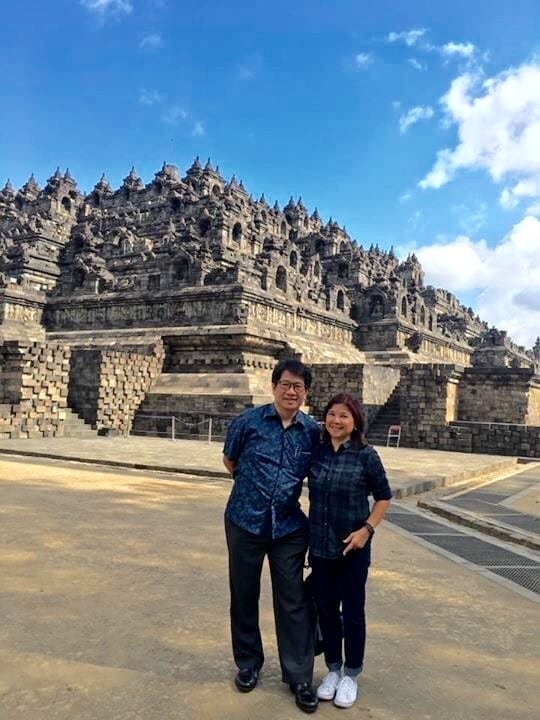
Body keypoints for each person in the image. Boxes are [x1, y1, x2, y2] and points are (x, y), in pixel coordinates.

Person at [223, 358, 321, 713]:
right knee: (244, 594)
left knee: (293, 600)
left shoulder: (312, 431)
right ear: (274, 386)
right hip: (244, 521)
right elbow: (230, 461)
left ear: (305, 392)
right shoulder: (247, 422)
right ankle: (248, 664)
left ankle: (299, 675)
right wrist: (253, 489)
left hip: (289, 528)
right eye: (286, 384)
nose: (291, 391)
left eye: (298, 386)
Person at [308, 392, 392, 709]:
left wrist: (366, 530)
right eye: (331, 413)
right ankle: (332, 668)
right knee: (327, 611)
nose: (336, 420)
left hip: (352, 548)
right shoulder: (316, 451)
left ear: (355, 421)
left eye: (344, 415)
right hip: (320, 545)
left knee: (353, 614)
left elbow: (383, 497)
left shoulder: (366, 455)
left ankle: (351, 674)